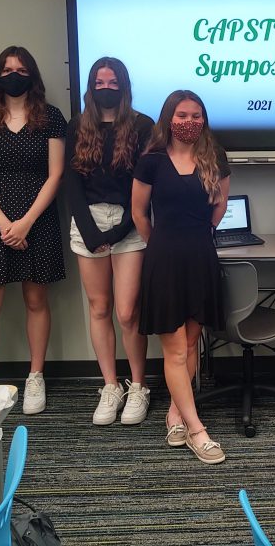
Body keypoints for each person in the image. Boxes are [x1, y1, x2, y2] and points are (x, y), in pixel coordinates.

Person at [0, 46, 66, 415]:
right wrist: (4, 223)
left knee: (36, 301)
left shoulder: (51, 117)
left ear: (32, 75)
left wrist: (25, 222)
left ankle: (35, 375)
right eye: (7, 69)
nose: (14, 74)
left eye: (21, 69)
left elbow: (55, 174)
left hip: (37, 218)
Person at [132, 90, 230, 464]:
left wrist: (199, 235)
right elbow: (139, 213)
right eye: (181, 115)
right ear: (168, 118)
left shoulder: (214, 157)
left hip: (201, 256)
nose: (189, 122)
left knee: (191, 345)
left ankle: (175, 414)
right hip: (165, 260)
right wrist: (161, 246)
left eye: (196, 115)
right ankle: (197, 430)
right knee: (174, 349)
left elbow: (220, 203)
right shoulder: (152, 161)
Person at [64, 57, 154, 426]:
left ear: (123, 85)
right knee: (99, 308)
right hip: (87, 223)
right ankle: (110, 385)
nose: (105, 88)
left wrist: (122, 230)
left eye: (111, 81)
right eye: (98, 82)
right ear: (90, 86)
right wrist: (88, 231)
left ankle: (138, 386)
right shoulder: (77, 126)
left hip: (130, 222)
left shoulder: (143, 125)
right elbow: (70, 184)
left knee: (127, 312)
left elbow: (146, 183)